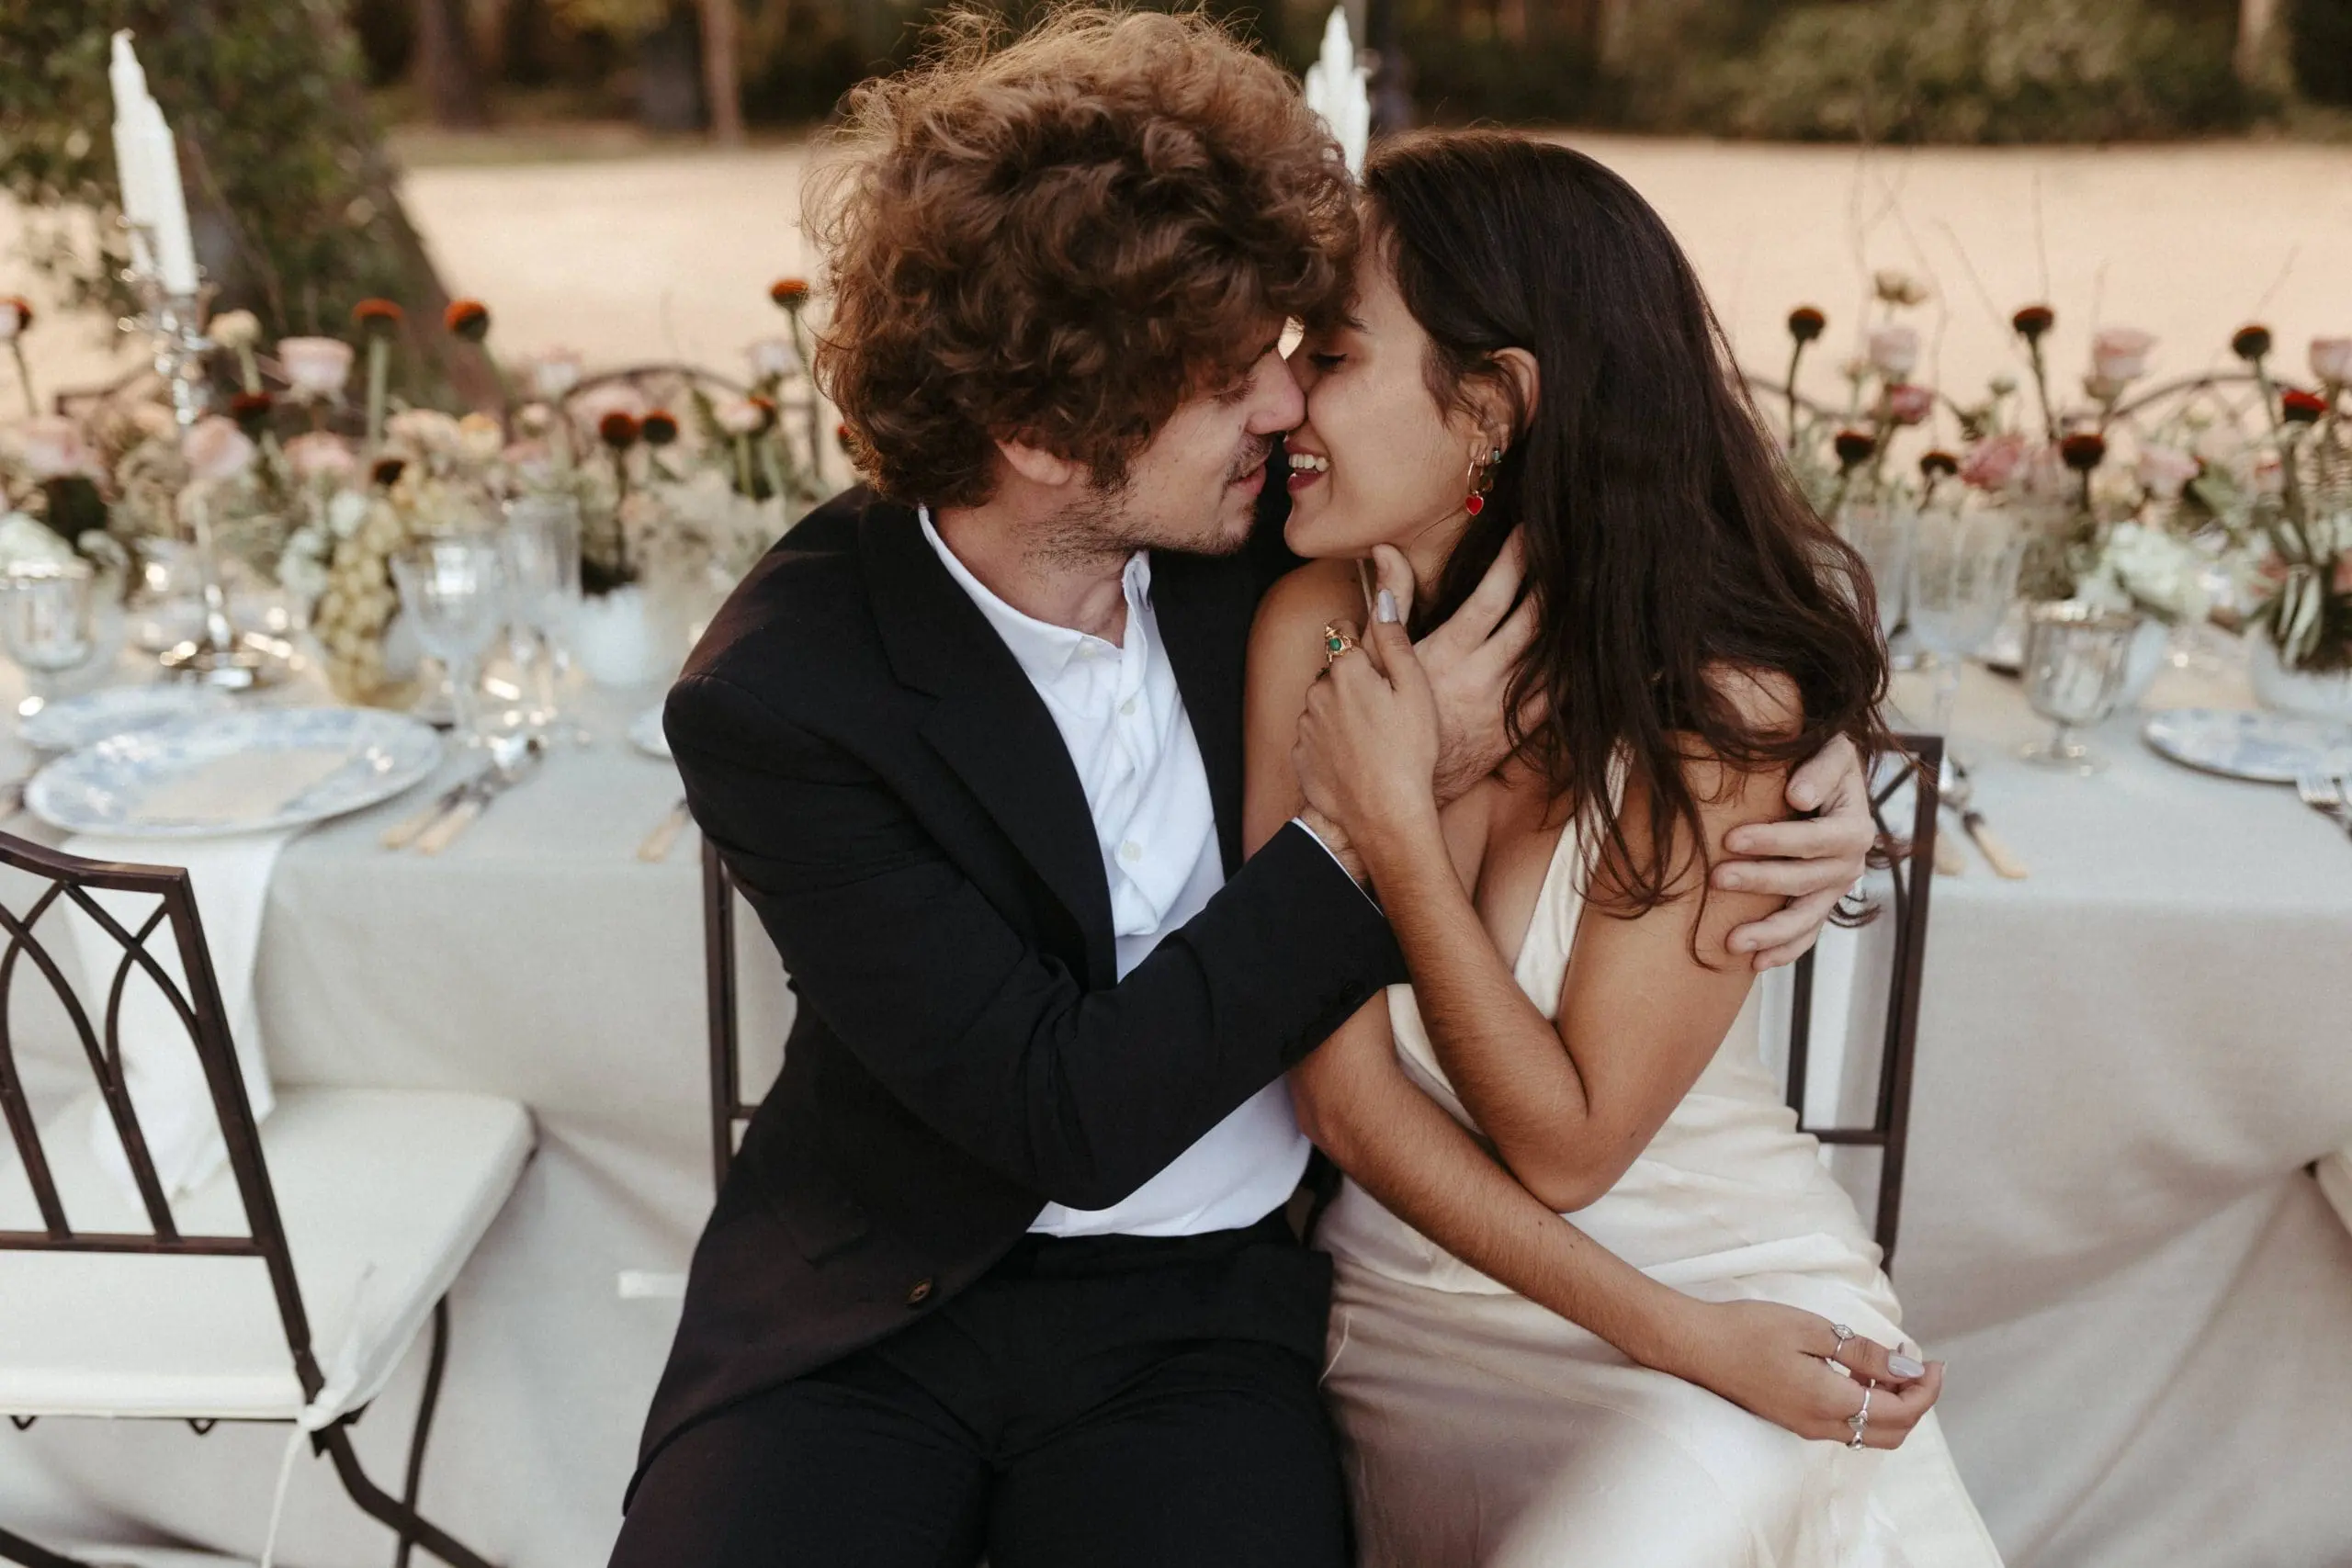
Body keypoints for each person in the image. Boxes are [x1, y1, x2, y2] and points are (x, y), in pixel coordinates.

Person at [612, 15, 1877, 1566]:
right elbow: (1065, 1113)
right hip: (880, 1299)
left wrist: (1826, 758)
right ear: (1046, 432)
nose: (1284, 406)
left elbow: (1624, 500)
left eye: (1294, 351)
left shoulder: (1276, 545)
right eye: (1229, 381)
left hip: (1202, 1312)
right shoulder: (787, 692)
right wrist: (1369, 820)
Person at [1247, 130, 2005, 1566]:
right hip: (1415, 1321)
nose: (1284, 390)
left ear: (1492, 404)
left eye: (1331, 352)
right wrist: (1680, 1337)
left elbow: (1569, 1145)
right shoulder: (1312, 629)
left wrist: (1394, 826)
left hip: (1729, 1286)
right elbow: (1340, 1103)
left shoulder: (1718, 706)